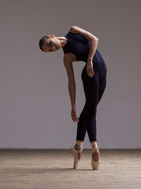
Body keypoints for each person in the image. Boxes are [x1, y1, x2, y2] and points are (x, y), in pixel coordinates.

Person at [39, 25, 107, 170]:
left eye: (50, 45)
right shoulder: (67, 57)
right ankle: (95, 147)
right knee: (91, 111)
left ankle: (78, 147)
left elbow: (94, 39)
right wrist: (73, 106)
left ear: (52, 36)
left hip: (101, 68)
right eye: (50, 50)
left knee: (89, 109)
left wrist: (89, 60)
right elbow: (71, 82)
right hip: (90, 75)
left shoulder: (73, 30)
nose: (53, 48)